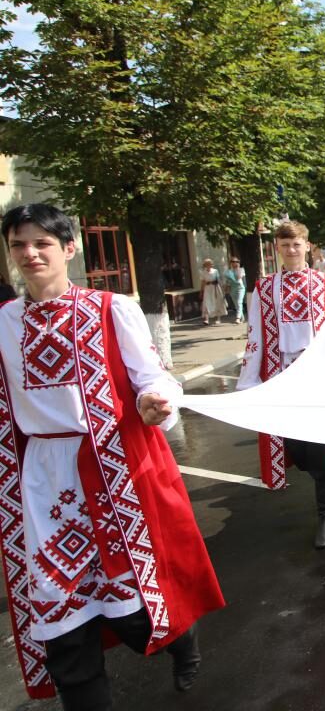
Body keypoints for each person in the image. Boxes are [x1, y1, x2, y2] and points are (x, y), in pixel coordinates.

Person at [0, 204, 224, 706]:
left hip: (109, 472)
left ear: (68, 249)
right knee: (63, 624)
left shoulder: (109, 308)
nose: (30, 253)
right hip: (41, 483)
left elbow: (153, 376)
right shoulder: (5, 322)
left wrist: (153, 400)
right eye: (18, 245)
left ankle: (181, 641)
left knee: (134, 610)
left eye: (42, 243)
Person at [237, 221, 325, 549]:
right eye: (285, 244)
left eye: (296, 244)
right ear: (277, 248)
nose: (291, 250)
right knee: (296, 447)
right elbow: (255, 334)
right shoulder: (264, 288)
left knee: (322, 450)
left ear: (307, 246)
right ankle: (316, 475)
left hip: (318, 379)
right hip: (282, 377)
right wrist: (249, 382)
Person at [222, 256, 247, 324]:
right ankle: (242, 317)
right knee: (236, 304)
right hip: (232, 289)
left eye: (237, 262)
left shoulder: (241, 269)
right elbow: (227, 282)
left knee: (239, 302)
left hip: (240, 288)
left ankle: (237, 318)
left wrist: (237, 268)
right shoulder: (228, 272)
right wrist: (226, 289)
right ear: (230, 263)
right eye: (233, 262)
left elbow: (239, 277)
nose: (235, 263)